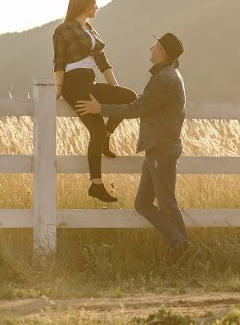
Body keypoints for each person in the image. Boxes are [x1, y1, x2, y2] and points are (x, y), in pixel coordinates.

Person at [76, 32, 190, 262]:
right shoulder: (167, 76)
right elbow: (146, 102)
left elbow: (139, 109)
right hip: (157, 147)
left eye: (155, 46)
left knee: (166, 202)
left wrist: (101, 109)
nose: (150, 47)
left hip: (161, 147)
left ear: (162, 53)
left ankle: (182, 247)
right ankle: (180, 243)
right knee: (143, 204)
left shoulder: (165, 79)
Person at [52, 0, 138, 203]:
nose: (97, 7)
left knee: (130, 97)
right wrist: (59, 90)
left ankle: (108, 135)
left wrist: (116, 91)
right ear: (85, 5)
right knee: (96, 129)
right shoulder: (63, 30)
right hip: (75, 84)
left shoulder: (91, 30)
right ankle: (96, 184)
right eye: (95, 3)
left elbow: (103, 63)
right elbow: (59, 61)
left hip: (90, 81)